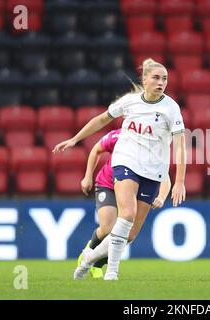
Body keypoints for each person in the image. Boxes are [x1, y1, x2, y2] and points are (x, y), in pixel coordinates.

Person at [53, 58, 187, 280]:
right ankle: (112, 272)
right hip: (126, 162)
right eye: (155, 77)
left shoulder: (171, 109)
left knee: (130, 234)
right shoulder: (130, 102)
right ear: (144, 79)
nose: (161, 82)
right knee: (126, 214)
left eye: (164, 79)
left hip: (153, 172)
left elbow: (180, 146)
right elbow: (101, 120)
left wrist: (180, 181)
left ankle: (89, 258)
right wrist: (76, 139)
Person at [78, 128, 171, 278]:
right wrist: (87, 176)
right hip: (107, 184)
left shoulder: (152, 144)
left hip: (131, 189)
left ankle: (96, 263)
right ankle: (88, 250)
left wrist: (161, 196)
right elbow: (96, 149)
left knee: (126, 235)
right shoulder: (118, 135)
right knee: (108, 228)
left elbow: (164, 175)